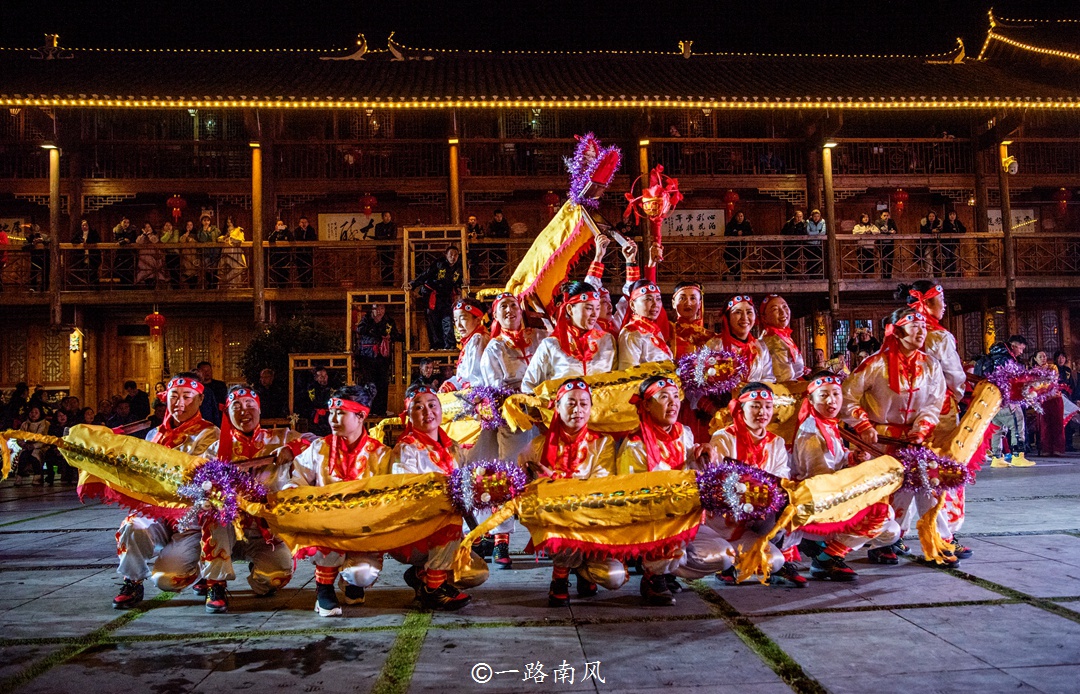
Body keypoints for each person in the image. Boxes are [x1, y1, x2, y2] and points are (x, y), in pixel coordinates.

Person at [842, 308, 950, 564]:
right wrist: (863, 425)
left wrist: (921, 428)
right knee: (886, 493)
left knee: (925, 485)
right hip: (880, 439)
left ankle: (937, 538)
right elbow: (847, 396)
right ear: (898, 331)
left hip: (914, 439)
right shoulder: (874, 364)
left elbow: (935, 402)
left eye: (924, 327)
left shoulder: (931, 364)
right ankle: (883, 542)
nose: (921, 331)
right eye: (915, 326)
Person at [111, 373, 220, 609]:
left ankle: (203, 570)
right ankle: (132, 580)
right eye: (174, 396)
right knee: (131, 526)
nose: (180, 403)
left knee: (168, 580)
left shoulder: (210, 434)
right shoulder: (154, 434)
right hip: (158, 511)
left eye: (187, 396)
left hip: (191, 518)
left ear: (200, 399)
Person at [616, 376, 726, 604]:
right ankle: (652, 575)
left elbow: (693, 469)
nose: (673, 403)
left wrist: (703, 456)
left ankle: (667, 571)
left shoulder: (684, 433)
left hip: (685, 516)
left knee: (724, 557)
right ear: (646, 404)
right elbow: (633, 498)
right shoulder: (635, 444)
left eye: (676, 397)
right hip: (653, 521)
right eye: (664, 397)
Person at [518, 379, 627, 606]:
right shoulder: (538, 446)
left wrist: (555, 481)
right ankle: (560, 576)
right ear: (557, 407)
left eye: (584, 404)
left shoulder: (602, 444)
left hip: (593, 523)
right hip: (556, 525)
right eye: (571, 403)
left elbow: (599, 488)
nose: (578, 410)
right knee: (558, 515)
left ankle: (583, 571)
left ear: (591, 408)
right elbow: (519, 485)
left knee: (614, 577)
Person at [199, 386, 305, 612]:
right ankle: (214, 583)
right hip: (227, 528)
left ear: (259, 409)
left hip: (264, 530)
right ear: (227, 413)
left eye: (250, 405)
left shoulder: (280, 437)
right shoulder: (216, 449)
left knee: (274, 578)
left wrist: (291, 449)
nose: (244, 411)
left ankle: (256, 571)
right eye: (236, 407)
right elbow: (197, 481)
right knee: (214, 513)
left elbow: (316, 443)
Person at [288, 385, 391, 617]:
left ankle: (352, 581)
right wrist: (297, 495)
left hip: (363, 531)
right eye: (331, 412)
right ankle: (323, 588)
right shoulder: (319, 448)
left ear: (361, 415)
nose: (332, 419)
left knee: (362, 574)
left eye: (340, 412)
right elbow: (297, 478)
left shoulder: (381, 454)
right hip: (327, 527)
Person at [788, 373, 902, 577]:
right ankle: (826, 557)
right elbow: (819, 479)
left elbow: (836, 459)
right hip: (819, 500)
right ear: (811, 400)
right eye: (823, 395)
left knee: (891, 526)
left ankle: (830, 549)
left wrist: (853, 458)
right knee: (882, 514)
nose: (831, 401)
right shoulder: (811, 433)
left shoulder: (828, 424)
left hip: (832, 491)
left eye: (836, 394)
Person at [391, 385, 488, 610]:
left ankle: (421, 575)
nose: (428, 412)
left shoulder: (453, 448)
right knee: (448, 517)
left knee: (477, 573)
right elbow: (405, 493)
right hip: (415, 532)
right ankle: (434, 589)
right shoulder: (405, 449)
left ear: (441, 410)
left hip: (448, 531)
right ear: (408, 415)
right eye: (419, 407)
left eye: (432, 405)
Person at [709, 383, 802, 586]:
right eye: (756, 406)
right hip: (728, 518)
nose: (763, 412)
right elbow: (719, 482)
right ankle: (731, 563)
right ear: (740, 409)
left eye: (768, 406)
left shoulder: (776, 442)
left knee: (795, 502)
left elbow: (780, 478)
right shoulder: (723, 437)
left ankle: (779, 556)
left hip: (762, 513)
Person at [480, 291, 546, 462]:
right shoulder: (494, 348)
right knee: (515, 464)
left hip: (543, 411)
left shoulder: (538, 336)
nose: (509, 309)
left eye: (513, 305)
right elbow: (494, 388)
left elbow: (558, 343)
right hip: (514, 416)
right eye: (504, 306)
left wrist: (541, 309)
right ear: (495, 315)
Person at [521, 281, 617, 393]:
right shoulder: (552, 344)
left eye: (597, 308)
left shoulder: (607, 341)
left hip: (603, 408)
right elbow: (528, 385)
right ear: (570, 309)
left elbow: (617, 379)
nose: (595, 314)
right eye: (589, 308)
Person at [976, 334, 1033, 467]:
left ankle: (997, 458)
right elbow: (1009, 381)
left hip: (991, 399)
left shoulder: (993, 356)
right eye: (1021, 348)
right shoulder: (1006, 359)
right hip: (1005, 399)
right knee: (1017, 423)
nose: (1021, 351)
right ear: (1013, 346)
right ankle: (1018, 456)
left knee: (997, 428)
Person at [705, 295, 775, 383]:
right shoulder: (714, 345)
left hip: (756, 395)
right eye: (738, 312)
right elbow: (706, 378)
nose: (744, 318)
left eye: (749, 312)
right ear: (728, 317)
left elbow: (768, 378)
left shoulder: (760, 347)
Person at [409, 245, 463, 350]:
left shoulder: (459, 267)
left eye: (455, 255)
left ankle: (450, 345)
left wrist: (459, 289)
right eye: (451, 254)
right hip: (431, 295)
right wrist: (413, 284)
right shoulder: (439, 264)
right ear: (446, 255)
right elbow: (426, 274)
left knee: (447, 319)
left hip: (445, 296)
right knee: (432, 321)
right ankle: (436, 345)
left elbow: (459, 281)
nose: (453, 257)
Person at [354, 303, 400, 416]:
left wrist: (390, 337)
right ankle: (368, 410)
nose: (380, 311)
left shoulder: (389, 321)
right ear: (372, 309)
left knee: (383, 384)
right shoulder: (366, 319)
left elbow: (396, 335)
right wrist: (374, 330)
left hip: (383, 358)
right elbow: (360, 330)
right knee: (369, 384)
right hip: (367, 357)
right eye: (377, 308)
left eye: (382, 308)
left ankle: (381, 410)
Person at [617, 280, 672, 370]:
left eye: (658, 299)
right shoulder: (632, 333)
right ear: (632, 305)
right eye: (648, 299)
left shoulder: (653, 331)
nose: (656, 305)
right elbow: (629, 373)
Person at [440, 299, 490, 392]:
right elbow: (464, 376)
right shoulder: (471, 340)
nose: (458, 325)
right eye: (455, 320)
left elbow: (475, 379)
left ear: (478, 320)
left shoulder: (478, 339)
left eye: (463, 319)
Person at [760, 294, 806, 382]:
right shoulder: (773, 339)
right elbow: (784, 375)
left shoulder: (781, 335)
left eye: (785, 306)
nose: (782, 312)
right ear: (764, 318)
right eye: (775, 309)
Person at [1034, 351, 1066, 457]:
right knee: (1045, 425)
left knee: (1057, 423)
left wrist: (1040, 383)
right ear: (1035, 359)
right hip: (1042, 401)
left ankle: (1058, 449)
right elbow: (1034, 385)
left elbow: (1052, 380)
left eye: (1044, 356)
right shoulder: (1034, 371)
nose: (1043, 358)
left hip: (1055, 399)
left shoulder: (1052, 367)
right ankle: (1046, 449)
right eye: (1040, 357)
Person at [672, 281, 713, 360]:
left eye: (693, 298)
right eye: (682, 298)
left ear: (699, 304)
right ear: (673, 303)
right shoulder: (667, 333)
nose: (688, 303)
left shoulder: (710, 337)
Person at [13, 405, 49, 485]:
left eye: (36, 412)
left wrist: (34, 446)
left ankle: (37, 476)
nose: (33, 414)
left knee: (35, 455)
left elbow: (45, 439)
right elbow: (19, 437)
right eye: (31, 412)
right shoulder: (25, 424)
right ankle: (19, 476)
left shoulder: (45, 424)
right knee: (23, 455)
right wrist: (24, 445)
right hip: (27, 446)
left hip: (41, 446)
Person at [302, 366, 335, 436]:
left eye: (325, 375)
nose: (324, 378)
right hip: (315, 417)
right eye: (321, 376)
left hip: (329, 416)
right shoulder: (311, 389)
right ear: (316, 378)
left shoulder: (332, 388)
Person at [218, 218, 247, 288]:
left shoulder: (238, 230)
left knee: (235, 267)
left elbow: (241, 239)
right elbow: (219, 239)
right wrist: (225, 237)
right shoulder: (225, 231)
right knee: (226, 268)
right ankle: (227, 285)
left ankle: (235, 286)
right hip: (226, 252)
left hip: (235, 252)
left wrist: (231, 238)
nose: (229, 224)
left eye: (231, 222)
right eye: (228, 223)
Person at [196, 361, 227, 427]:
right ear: (199, 372)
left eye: (208, 370)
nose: (207, 373)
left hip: (218, 416)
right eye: (204, 371)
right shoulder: (197, 387)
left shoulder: (220, 385)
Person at [72, 218, 101, 285]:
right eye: (83, 225)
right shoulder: (79, 233)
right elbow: (72, 240)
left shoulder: (93, 232)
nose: (84, 227)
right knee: (85, 271)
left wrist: (87, 242)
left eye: (86, 225)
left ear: (88, 225)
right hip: (83, 256)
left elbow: (98, 240)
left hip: (93, 255)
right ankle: (88, 286)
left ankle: (95, 287)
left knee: (93, 271)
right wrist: (80, 242)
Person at [724, 211, 751, 280]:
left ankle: (737, 277)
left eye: (741, 216)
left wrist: (743, 233)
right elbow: (726, 233)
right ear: (736, 217)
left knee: (740, 261)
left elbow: (750, 233)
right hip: (732, 246)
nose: (740, 218)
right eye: (738, 216)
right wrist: (736, 233)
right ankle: (733, 272)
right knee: (726, 256)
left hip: (742, 246)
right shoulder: (731, 224)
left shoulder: (746, 224)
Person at [267, 219, 294, 288]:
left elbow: (292, 239)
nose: (280, 226)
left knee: (285, 272)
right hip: (276, 256)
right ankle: (277, 286)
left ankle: (284, 287)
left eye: (281, 225)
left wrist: (286, 230)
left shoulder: (286, 233)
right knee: (276, 272)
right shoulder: (273, 232)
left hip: (285, 256)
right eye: (279, 225)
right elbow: (270, 240)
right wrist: (276, 231)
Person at [197, 214, 222, 289]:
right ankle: (209, 285)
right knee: (207, 269)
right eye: (204, 220)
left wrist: (210, 232)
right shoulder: (200, 231)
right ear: (201, 222)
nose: (206, 222)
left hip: (215, 252)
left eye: (208, 220)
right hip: (206, 252)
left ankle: (214, 285)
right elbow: (202, 240)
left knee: (215, 269)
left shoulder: (215, 229)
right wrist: (204, 232)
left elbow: (217, 237)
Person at [111, 217, 137, 286]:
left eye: (128, 222)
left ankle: (130, 286)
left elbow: (129, 239)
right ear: (121, 222)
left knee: (129, 272)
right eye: (124, 222)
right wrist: (123, 240)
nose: (126, 224)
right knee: (120, 271)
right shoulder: (117, 230)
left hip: (129, 254)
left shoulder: (132, 230)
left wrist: (122, 241)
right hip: (120, 254)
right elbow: (116, 239)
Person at [373, 212, 397, 285]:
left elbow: (393, 237)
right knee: (382, 266)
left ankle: (390, 283)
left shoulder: (393, 225)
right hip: (381, 249)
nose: (388, 218)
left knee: (390, 266)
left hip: (390, 249)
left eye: (389, 216)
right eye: (386, 216)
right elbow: (377, 237)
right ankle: (384, 282)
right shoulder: (378, 226)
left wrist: (383, 237)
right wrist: (387, 236)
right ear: (382, 217)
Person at [780, 210, 806, 277]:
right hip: (788, 244)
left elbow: (804, 233)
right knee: (788, 259)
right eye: (797, 216)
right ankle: (788, 274)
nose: (799, 218)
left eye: (801, 217)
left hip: (797, 244)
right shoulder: (789, 223)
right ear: (794, 217)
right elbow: (783, 232)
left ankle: (788, 273)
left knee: (795, 260)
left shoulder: (803, 224)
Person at [293, 215, 317, 288]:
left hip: (309, 253)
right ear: (299, 223)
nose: (303, 224)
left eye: (305, 222)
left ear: (308, 223)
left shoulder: (311, 230)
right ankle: (303, 285)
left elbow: (313, 239)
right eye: (302, 222)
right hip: (299, 253)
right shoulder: (296, 231)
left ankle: (311, 285)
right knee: (301, 270)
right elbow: (296, 239)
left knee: (310, 269)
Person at [852, 213, 879, 277]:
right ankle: (863, 276)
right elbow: (854, 232)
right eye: (864, 217)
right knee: (862, 262)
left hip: (870, 246)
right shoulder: (857, 226)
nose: (866, 219)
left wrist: (871, 231)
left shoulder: (872, 226)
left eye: (867, 217)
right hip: (861, 246)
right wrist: (864, 231)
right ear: (861, 219)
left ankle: (870, 276)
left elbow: (878, 231)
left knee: (870, 262)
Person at [178, 220, 202, 288]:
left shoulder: (196, 234)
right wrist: (186, 234)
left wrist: (192, 240)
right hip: (186, 255)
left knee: (194, 271)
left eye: (191, 225)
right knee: (186, 271)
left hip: (194, 255)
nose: (189, 226)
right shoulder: (182, 234)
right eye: (187, 225)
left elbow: (198, 243)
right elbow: (181, 241)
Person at [941, 211, 966, 277]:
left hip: (954, 243)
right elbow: (948, 230)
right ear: (948, 216)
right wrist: (954, 230)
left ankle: (953, 273)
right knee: (947, 258)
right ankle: (948, 273)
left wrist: (956, 230)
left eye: (954, 214)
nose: (952, 216)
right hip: (946, 243)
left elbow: (964, 229)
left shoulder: (957, 223)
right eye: (950, 214)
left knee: (953, 258)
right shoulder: (945, 222)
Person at [875, 211, 898, 278]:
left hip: (890, 243)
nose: (886, 217)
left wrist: (894, 231)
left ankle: (889, 275)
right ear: (881, 216)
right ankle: (883, 275)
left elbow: (896, 230)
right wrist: (888, 232)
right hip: (882, 243)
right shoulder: (878, 222)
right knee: (883, 259)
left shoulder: (891, 221)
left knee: (890, 259)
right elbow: (878, 231)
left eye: (887, 215)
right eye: (884, 215)